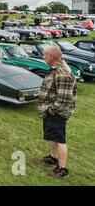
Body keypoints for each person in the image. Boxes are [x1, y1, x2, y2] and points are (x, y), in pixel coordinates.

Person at [37, 46, 77, 179]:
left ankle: (62, 169)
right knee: (54, 136)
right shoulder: (57, 67)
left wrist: (50, 110)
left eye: (44, 55)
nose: (43, 57)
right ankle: (53, 158)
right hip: (53, 111)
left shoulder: (62, 73)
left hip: (57, 112)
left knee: (60, 139)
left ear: (51, 57)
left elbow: (64, 99)